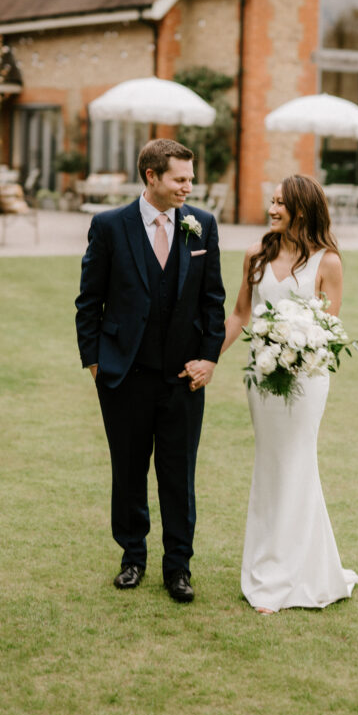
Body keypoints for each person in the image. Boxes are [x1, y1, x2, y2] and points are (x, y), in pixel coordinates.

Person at [75, 139, 226, 603]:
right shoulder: (109, 226)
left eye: (190, 178)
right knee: (129, 470)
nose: (189, 186)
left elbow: (213, 300)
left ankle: (178, 567)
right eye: (180, 178)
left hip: (183, 378)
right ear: (151, 177)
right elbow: (89, 301)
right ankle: (132, 559)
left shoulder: (203, 226)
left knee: (179, 476)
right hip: (125, 376)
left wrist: (210, 357)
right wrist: (96, 361)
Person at [221, 174, 358, 614]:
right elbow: (240, 314)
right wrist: (207, 357)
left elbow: (329, 330)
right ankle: (269, 566)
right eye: (272, 201)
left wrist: (295, 349)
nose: (272, 208)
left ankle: (288, 576)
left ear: (302, 208)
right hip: (262, 378)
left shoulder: (328, 262)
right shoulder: (255, 255)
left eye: (281, 202)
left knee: (298, 463)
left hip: (306, 381)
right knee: (271, 464)